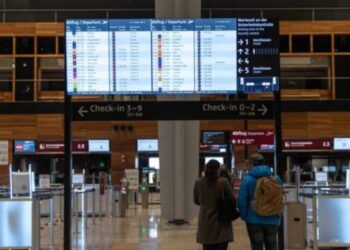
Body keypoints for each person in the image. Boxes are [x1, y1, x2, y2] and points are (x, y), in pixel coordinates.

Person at [238, 153, 282, 250]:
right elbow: (280, 198)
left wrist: (244, 216)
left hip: (253, 219)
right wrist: (278, 216)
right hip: (272, 218)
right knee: (272, 245)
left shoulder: (247, 179)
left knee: (256, 246)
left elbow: (242, 200)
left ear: (251, 164)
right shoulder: (276, 178)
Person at [194, 159, 234, 250]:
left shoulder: (198, 182)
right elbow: (232, 200)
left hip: (205, 224)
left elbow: (196, 201)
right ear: (218, 170)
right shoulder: (223, 182)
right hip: (221, 223)